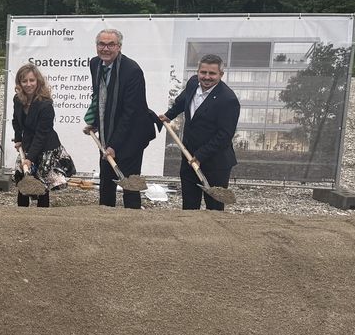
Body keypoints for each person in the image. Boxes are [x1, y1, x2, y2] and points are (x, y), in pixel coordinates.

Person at [83, 28, 158, 209]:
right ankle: (106, 217)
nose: (105, 49)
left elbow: (130, 112)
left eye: (111, 45)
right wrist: (94, 122)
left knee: (129, 183)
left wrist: (113, 145)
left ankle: (131, 223)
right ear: (96, 46)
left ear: (119, 47)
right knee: (106, 178)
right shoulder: (95, 64)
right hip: (109, 130)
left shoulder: (132, 71)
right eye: (102, 44)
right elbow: (100, 97)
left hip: (133, 134)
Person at [159, 54, 241, 211]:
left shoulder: (228, 100)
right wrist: (169, 115)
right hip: (189, 157)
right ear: (198, 72)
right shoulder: (192, 83)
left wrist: (201, 155)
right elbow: (182, 101)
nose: (207, 77)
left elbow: (224, 135)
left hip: (216, 163)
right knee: (189, 206)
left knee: (214, 207)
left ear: (221, 75)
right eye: (203, 72)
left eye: (212, 73)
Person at [13, 64, 72, 207]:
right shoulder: (18, 99)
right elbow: (16, 121)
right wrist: (18, 139)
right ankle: (21, 216)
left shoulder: (45, 105)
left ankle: (42, 217)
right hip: (28, 143)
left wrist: (30, 158)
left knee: (41, 185)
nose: (28, 84)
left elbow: (41, 135)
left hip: (46, 148)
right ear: (19, 83)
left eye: (32, 80)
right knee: (23, 181)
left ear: (38, 81)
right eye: (24, 81)